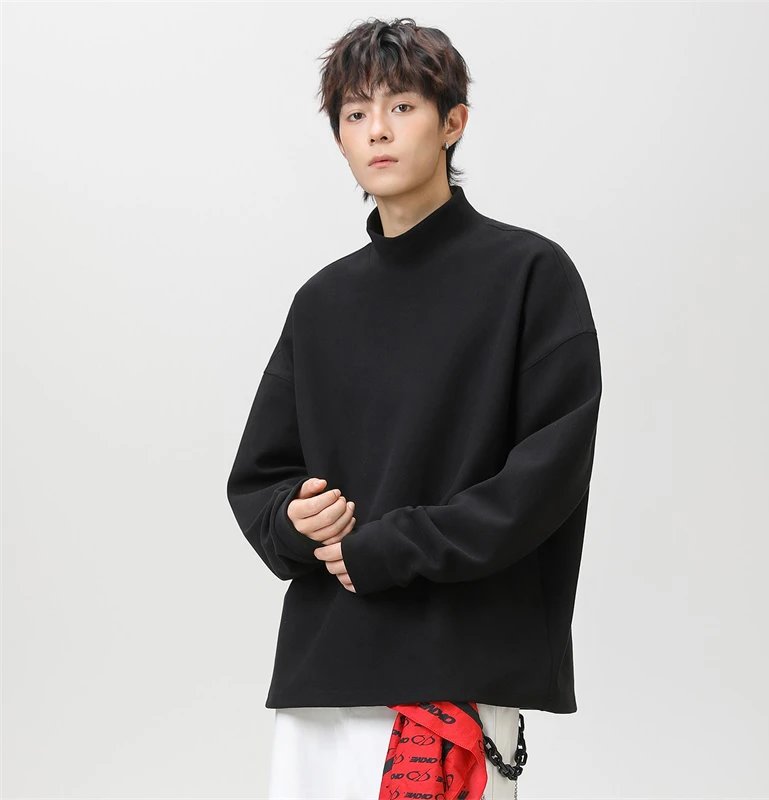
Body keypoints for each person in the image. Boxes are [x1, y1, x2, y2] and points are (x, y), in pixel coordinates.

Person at [226, 16, 602, 800]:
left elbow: (545, 479)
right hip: (323, 675)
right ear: (339, 137)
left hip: (451, 673)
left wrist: (391, 547)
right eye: (355, 113)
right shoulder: (322, 303)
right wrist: (294, 519)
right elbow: (259, 479)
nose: (377, 130)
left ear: (452, 121)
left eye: (401, 106)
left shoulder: (530, 275)